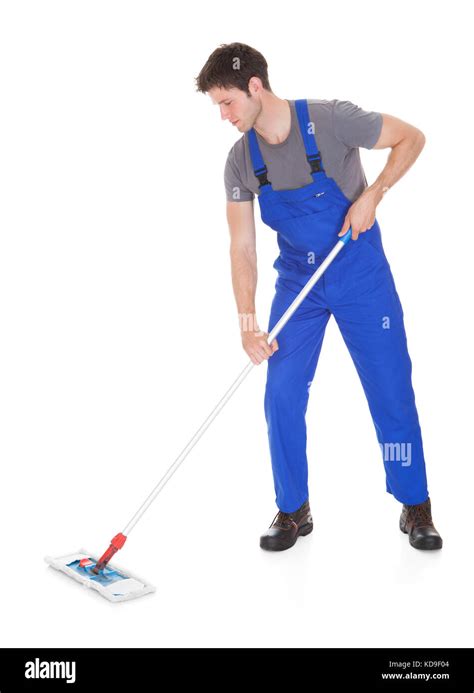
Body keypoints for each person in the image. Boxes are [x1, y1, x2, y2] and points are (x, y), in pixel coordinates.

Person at [195, 42, 442, 552]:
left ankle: (414, 501)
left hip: (360, 274)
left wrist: (374, 194)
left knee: (391, 389)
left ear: (255, 86)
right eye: (218, 105)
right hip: (298, 286)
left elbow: (411, 139)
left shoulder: (332, 120)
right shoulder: (241, 161)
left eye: (227, 102)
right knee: (281, 394)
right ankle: (293, 509)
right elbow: (241, 244)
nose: (223, 115)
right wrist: (247, 323)